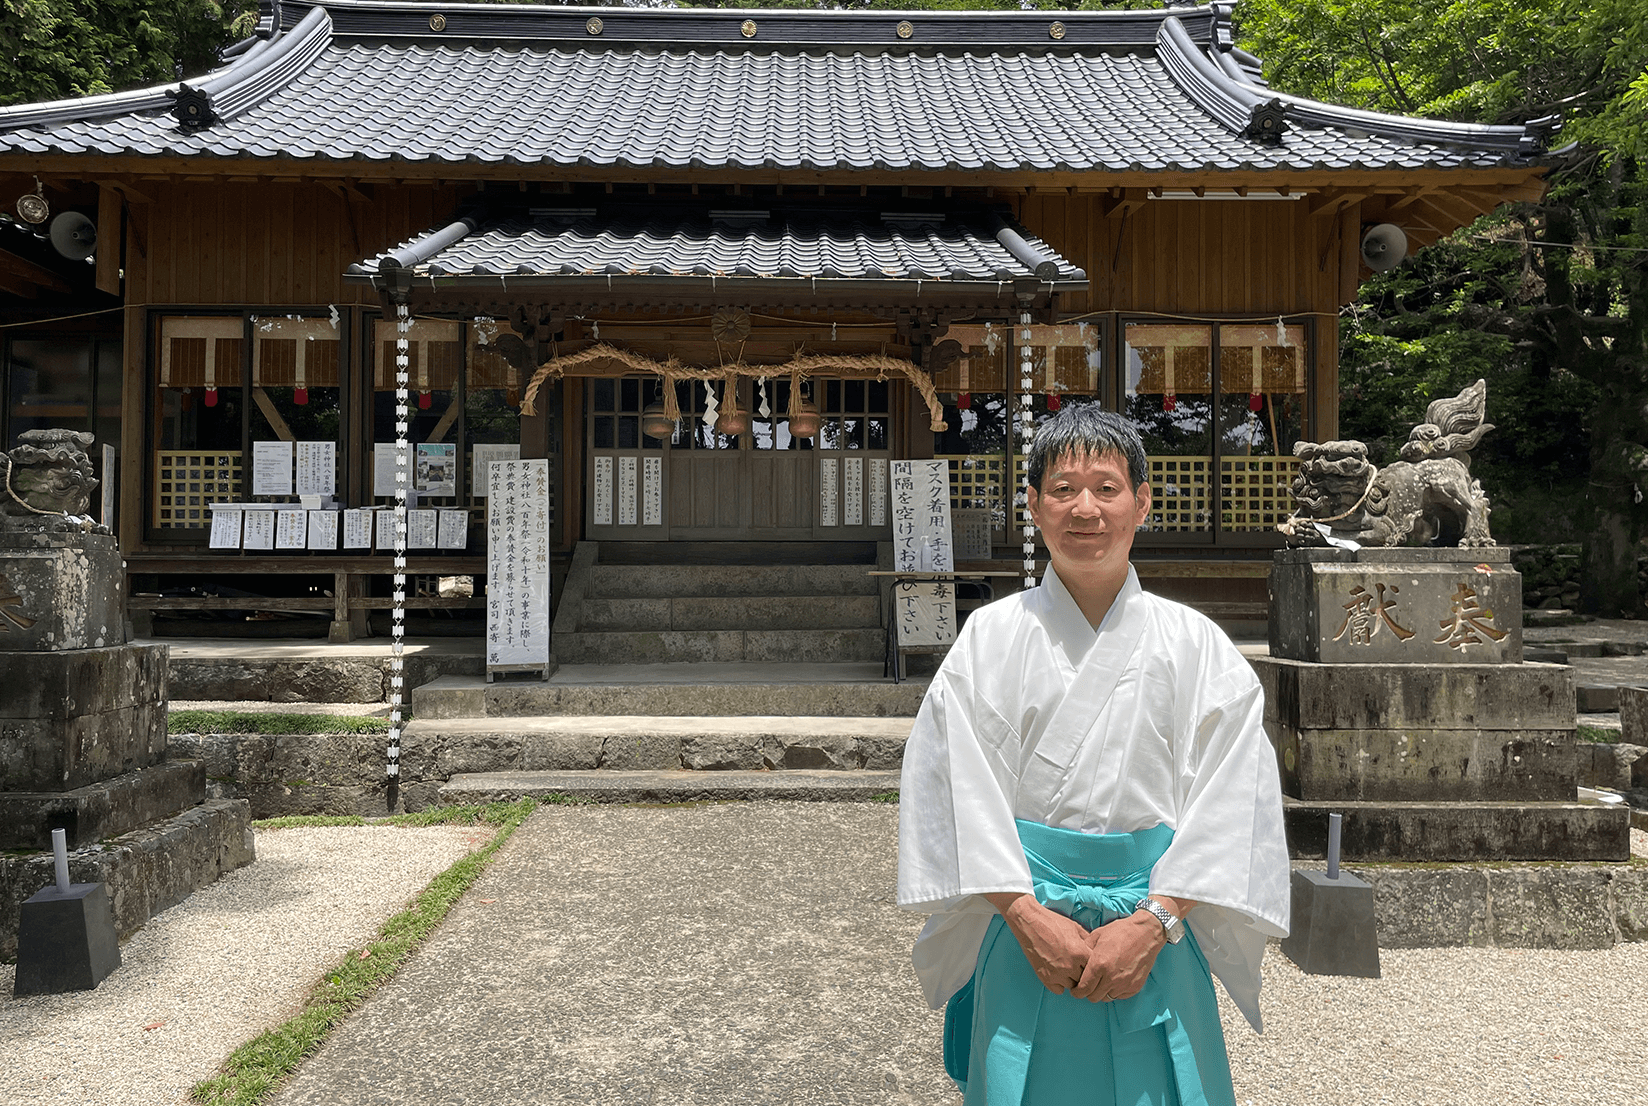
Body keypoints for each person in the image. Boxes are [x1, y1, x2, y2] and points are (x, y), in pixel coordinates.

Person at [897, 405, 1289, 1105]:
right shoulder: (987, 639)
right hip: (1027, 931)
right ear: (1033, 507)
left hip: (1155, 934)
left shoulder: (1195, 645)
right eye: (1063, 488)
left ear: (1142, 502)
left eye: (1107, 488)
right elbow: (952, 789)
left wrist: (1158, 919)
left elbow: (1235, 798)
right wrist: (1024, 915)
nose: (1086, 508)